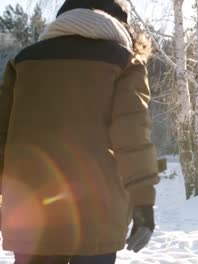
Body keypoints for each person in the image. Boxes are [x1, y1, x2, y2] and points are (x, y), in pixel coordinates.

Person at [0, 0, 160, 263]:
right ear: (121, 24)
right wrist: (143, 204)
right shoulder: (125, 63)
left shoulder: (23, 62)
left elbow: (2, 136)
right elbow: (133, 139)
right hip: (96, 212)